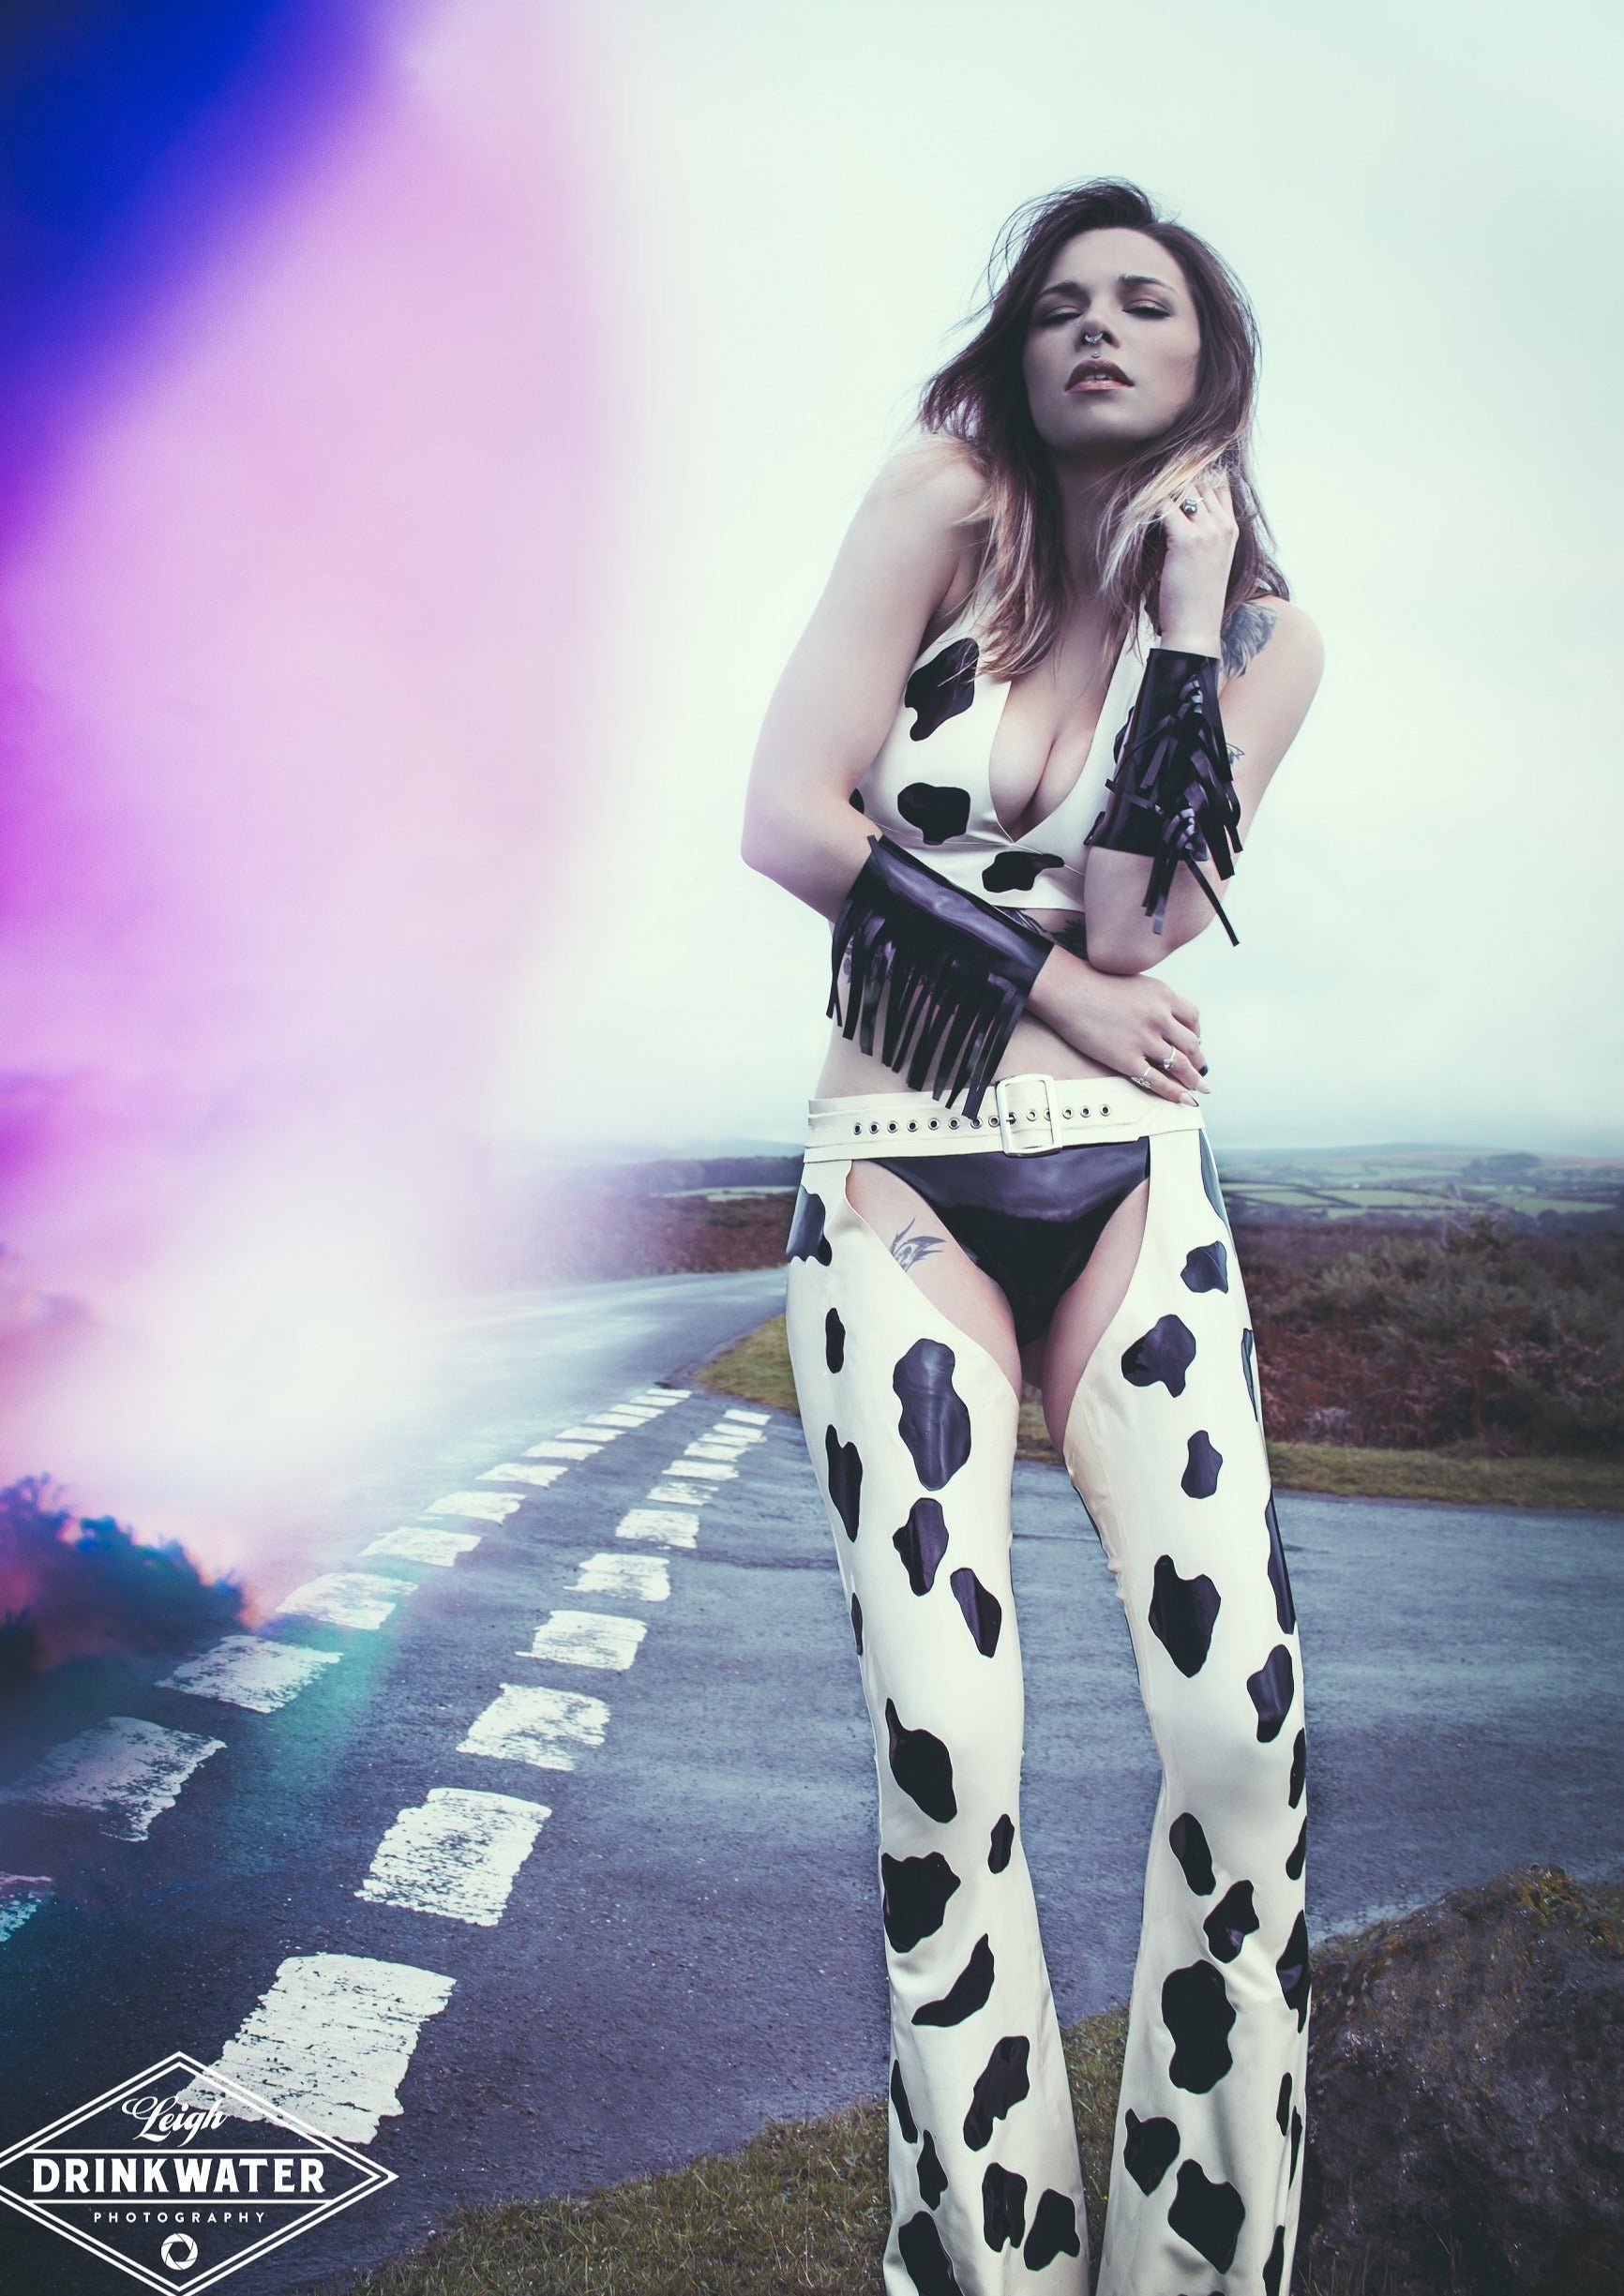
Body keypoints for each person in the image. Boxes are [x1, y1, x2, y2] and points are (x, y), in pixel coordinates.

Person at [742, 176, 1324, 2296]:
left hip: (1127, 1192)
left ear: (1206, 361)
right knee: (947, 1756)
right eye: (1060, 298)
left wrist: (1177, 626)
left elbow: (1144, 915)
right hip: (897, 1172)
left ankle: (1200, 2265)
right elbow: (787, 815)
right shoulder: (941, 504)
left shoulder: (1265, 641)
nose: (1094, 325)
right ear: (1017, 344)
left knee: (1239, 1740)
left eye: (1142, 302)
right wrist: (1055, 989)